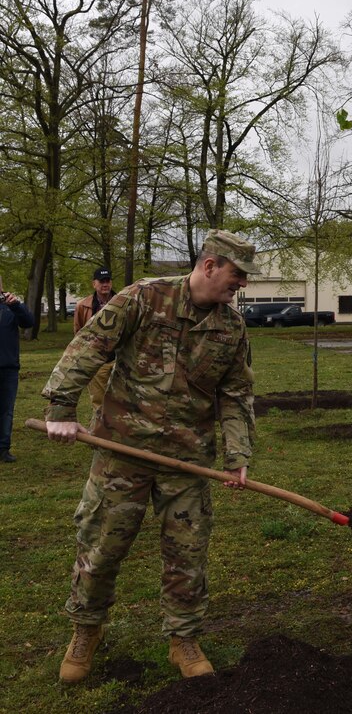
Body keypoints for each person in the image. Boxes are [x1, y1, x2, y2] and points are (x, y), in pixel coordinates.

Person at [42, 230, 260, 684]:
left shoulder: (231, 327)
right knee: (101, 546)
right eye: (237, 275)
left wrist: (237, 454)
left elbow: (236, 394)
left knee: (187, 554)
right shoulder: (144, 298)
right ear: (210, 265)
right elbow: (88, 348)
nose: (240, 285)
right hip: (122, 449)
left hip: (188, 458)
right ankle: (86, 630)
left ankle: (184, 640)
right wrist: (62, 407)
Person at [73, 267, 117, 418]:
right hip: (96, 361)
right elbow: (78, 333)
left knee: (121, 399)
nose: (105, 284)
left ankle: (120, 435)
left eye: (108, 281)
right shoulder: (82, 306)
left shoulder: (123, 302)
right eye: (101, 281)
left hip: (120, 360)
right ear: (94, 284)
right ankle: (99, 436)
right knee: (99, 401)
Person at [0, 284, 35, 463]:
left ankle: (3, 449)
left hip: (8, 368)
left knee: (6, 410)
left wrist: (16, 305)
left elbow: (29, 322)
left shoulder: (10, 305)